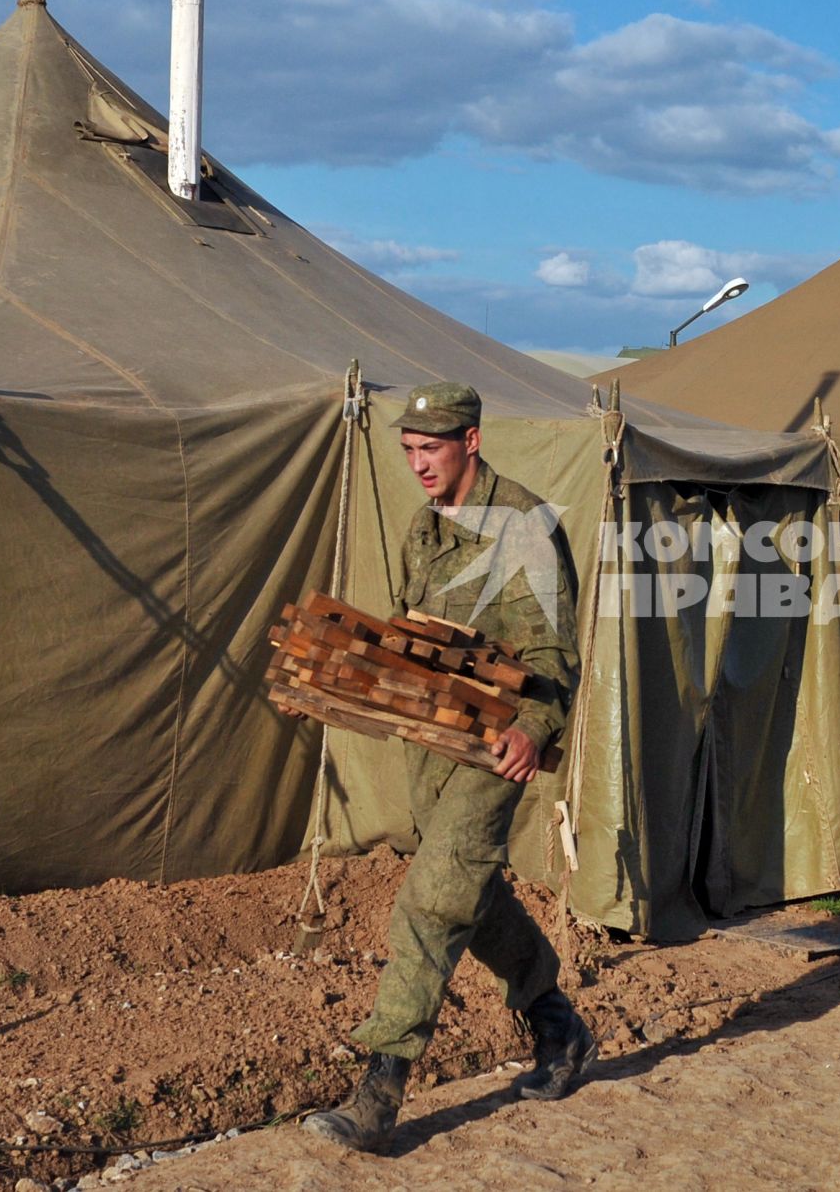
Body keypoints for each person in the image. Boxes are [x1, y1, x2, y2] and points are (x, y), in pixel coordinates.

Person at [303, 382, 596, 1153]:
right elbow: (413, 646)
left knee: (432, 903)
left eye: (429, 449)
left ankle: (380, 1091)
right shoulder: (421, 530)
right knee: (473, 892)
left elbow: (554, 653)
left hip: (495, 753)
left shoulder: (524, 527)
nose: (417, 465)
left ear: (471, 441)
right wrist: (333, 688)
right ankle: (559, 1026)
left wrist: (536, 726)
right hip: (430, 751)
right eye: (407, 451)